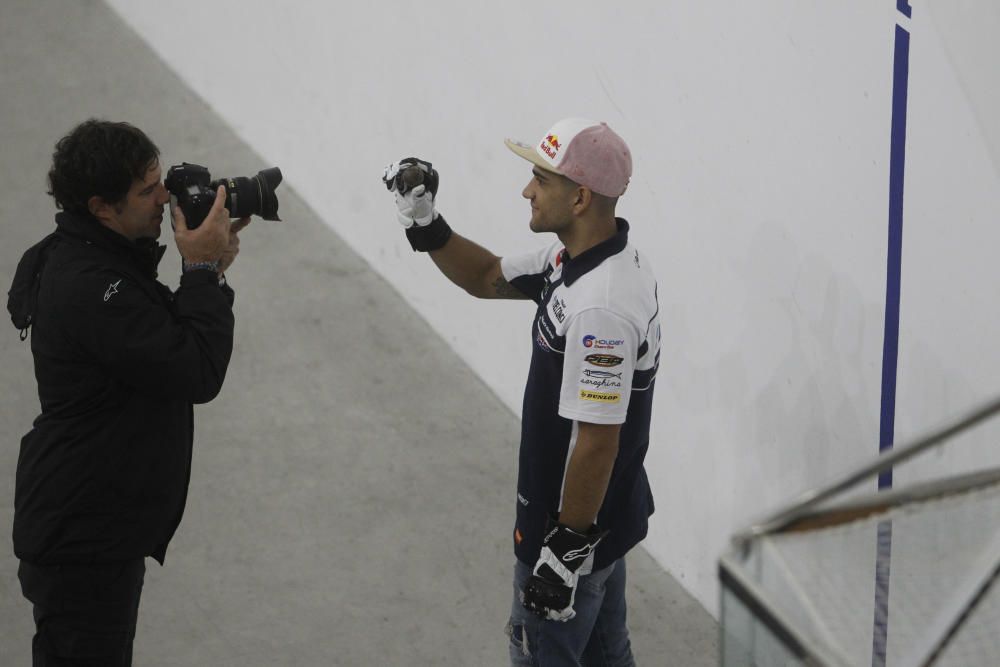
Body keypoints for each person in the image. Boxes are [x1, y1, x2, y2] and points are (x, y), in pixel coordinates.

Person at [383, 118, 661, 666]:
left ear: (579, 197)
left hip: (569, 540)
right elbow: (486, 275)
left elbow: (597, 441)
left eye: (540, 180)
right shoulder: (578, 263)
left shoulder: (599, 307)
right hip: (600, 528)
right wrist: (426, 223)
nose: (527, 191)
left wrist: (561, 552)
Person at [7, 119, 248, 666]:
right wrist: (201, 267)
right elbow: (195, 370)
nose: (165, 198)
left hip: (93, 523)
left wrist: (209, 274)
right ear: (101, 207)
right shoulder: (91, 285)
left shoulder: (97, 254)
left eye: (160, 181)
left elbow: (166, 336)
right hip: (82, 540)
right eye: (147, 191)